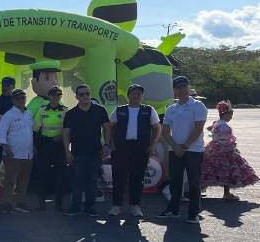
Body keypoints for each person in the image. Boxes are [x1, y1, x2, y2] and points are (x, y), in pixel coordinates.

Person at [158, 76, 208, 223]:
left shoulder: (198, 106)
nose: (181, 90)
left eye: (183, 87)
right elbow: (165, 131)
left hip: (194, 150)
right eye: (178, 87)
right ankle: (173, 210)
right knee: (175, 182)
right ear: (174, 90)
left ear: (188, 87)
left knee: (194, 182)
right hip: (175, 151)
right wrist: (175, 147)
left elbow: (198, 128)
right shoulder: (171, 108)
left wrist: (184, 146)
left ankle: (193, 213)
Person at [108, 84, 161, 217]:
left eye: (139, 93)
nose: (136, 96)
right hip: (121, 147)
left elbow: (157, 128)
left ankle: (135, 206)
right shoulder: (119, 110)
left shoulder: (149, 110)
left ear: (142, 96)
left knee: (137, 177)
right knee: (119, 177)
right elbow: (109, 127)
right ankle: (116, 206)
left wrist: (153, 145)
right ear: (128, 95)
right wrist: (110, 143)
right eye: (133, 93)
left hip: (141, 148)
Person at [62, 84, 110, 217]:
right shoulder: (71, 114)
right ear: (76, 97)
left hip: (96, 152)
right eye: (82, 94)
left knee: (92, 181)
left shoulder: (100, 110)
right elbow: (66, 133)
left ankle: (90, 207)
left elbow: (106, 128)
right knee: (77, 181)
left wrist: (106, 145)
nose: (85, 96)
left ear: (90, 94)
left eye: (87, 93)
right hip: (77, 153)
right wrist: (67, 151)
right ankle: (75, 207)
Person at [201, 100, 259, 200]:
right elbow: (224, 139)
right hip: (223, 149)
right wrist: (230, 147)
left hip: (214, 147)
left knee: (210, 170)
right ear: (224, 114)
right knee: (227, 170)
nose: (231, 117)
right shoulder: (224, 125)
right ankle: (226, 193)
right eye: (230, 114)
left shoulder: (218, 123)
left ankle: (199, 189)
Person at [0, 88, 34, 213]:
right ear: (13, 100)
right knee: (10, 180)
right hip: (13, 153)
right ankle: (7, 202)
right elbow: (0, 132)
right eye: (18, 98)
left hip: (28, 153)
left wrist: (33, 147)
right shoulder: (8, 115)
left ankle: (20, 202)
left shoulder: (29, 113)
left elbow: (30, 132)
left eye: (23, 97)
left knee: (24, 179)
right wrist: (5, 146)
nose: (21, 100)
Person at [33, 85, 68, 211]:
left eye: (59, 95)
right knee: (42, 174)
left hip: (59, 146)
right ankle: (41, 203)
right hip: (45, 144)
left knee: (61, 175)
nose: (56, 97)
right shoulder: (42, 110)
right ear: (49, 96)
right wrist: (36, 146)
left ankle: (59, 204)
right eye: (53, 94)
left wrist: (61, 137)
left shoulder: (65, 110)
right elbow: (35, 130)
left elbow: (68, 129)